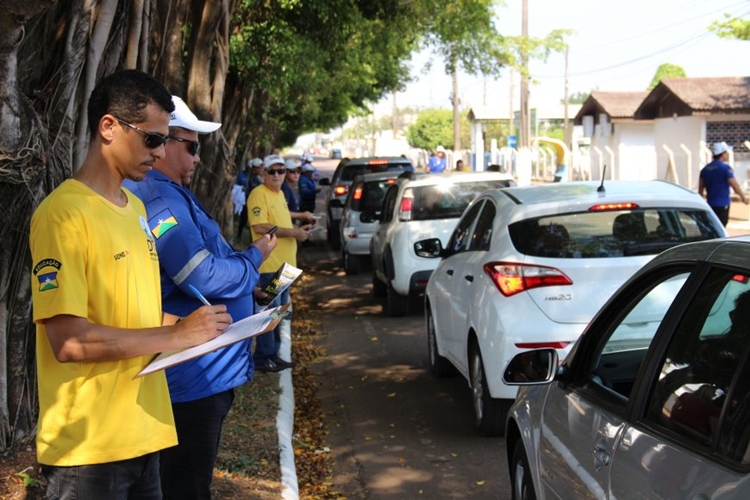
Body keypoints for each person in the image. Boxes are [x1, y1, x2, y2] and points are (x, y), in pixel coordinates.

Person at [29, 69, 231, 499]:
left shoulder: (136, 207)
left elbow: (133, 315)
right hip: (90, 449)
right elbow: (68, 342)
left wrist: (201, 331)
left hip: (146, 435)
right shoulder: (63, 214)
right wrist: (175, 333)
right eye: (153, 139)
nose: (159, 153)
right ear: (108, 127)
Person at [124, 96, 277, 499]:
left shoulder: (171, 192)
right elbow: (199, 273)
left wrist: (249, 285)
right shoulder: (157, 197)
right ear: (161, 143)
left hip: (206, 367)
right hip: (192, 374)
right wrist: (253, 259)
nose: (197, 158)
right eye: (191, 147)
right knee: (185, 484)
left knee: (189, 479)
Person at [247, 154, 313, 372]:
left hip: (285, 267)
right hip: (270, 267)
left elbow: (280, 220)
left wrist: (298, 225)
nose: (277, 175)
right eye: (272, 171)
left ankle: (273, 353)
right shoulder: (258, 194)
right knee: (270, 313)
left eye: (281, 171)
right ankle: (263, 357)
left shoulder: (280, 193)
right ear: (263, 173)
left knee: (279, 312)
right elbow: (259, 226)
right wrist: (292, 232)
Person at [699, 141, 749, 226]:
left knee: (712, 227)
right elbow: (734, 185)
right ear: (722, 154)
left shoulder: (705, 169)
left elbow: (700, 189)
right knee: (721, 227)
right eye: (726, 152)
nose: (727, 155)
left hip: (710, 204)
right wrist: (743, 198)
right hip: (722, 204)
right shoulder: (725, 168)